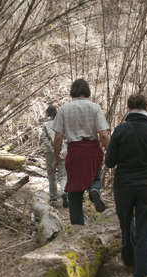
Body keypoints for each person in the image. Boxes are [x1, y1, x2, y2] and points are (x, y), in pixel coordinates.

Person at [105, 94, 147, 277]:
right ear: (146, 108)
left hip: (124, 186)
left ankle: (129, 261)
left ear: (128, 108)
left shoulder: (120, 131)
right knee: (144, 231)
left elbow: (110, 162)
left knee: (126, 224)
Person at [52, 79, 110, 225]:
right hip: (92, 150)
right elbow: (103, 134)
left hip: (75, 151)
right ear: (87, 91)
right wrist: (109, 151)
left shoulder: (64, 109)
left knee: (74, 188)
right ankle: (94, 190)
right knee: (94, 176)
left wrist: (55, 158)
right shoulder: (95, 108)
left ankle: (77, 225)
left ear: (73, 92)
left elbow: (58, 137)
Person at [41, 105, 68, 208]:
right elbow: (66, 139)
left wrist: (54, 151)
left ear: (47, 113)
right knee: (63, 175)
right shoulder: (63, 124)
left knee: (51, 175)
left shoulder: (45, 125)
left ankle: (53, 199)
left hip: (50, 153)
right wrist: (63, 151)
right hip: (63, 152)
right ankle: (65, 191)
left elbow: (45, 140)